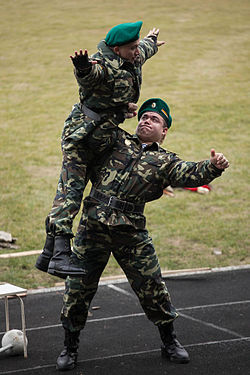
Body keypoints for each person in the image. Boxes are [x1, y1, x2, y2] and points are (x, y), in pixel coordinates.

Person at [55, 98, 229, 371]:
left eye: (155, 119)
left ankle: (169, 341)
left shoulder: (165, 160)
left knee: (152, 288)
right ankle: (70, 346)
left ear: (164, 131)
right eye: (144, 116)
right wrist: (116, 111)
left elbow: (189, 174)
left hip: (131, 233)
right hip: (93, 228)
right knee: (77, 290)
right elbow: (91, 132)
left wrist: (213, 167)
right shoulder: (114, 141)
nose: (146, 120)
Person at [35, 22, 165, 278]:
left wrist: (150, 41)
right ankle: (60, 255)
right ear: (116, 50)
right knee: (70, 191)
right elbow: (90, 77)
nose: (137, 51)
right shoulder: (102, 66)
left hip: (103, 136)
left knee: (91, 187)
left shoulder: (134, 55)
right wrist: (82, 68)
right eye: (132, 47)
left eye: (137, 46)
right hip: (81, 136)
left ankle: (47, 255)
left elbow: (145, 50)